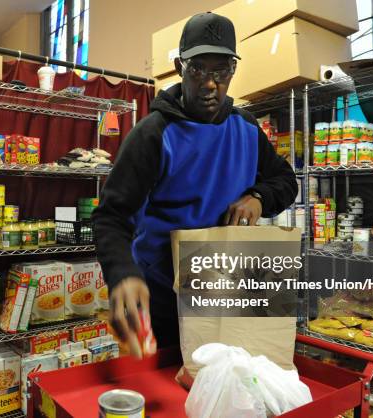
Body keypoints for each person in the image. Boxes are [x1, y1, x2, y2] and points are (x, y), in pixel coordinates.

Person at [92, 12, 298, 355]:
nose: (209, 83)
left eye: (221, 70)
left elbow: (285, 180)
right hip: (163, 297)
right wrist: (123, 273)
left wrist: (258, 197)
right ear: (179, 67)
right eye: (198, 68)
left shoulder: (247, 130)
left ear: (233, 70)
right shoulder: (154, 134)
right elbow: (111, 217)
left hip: (229, 290)